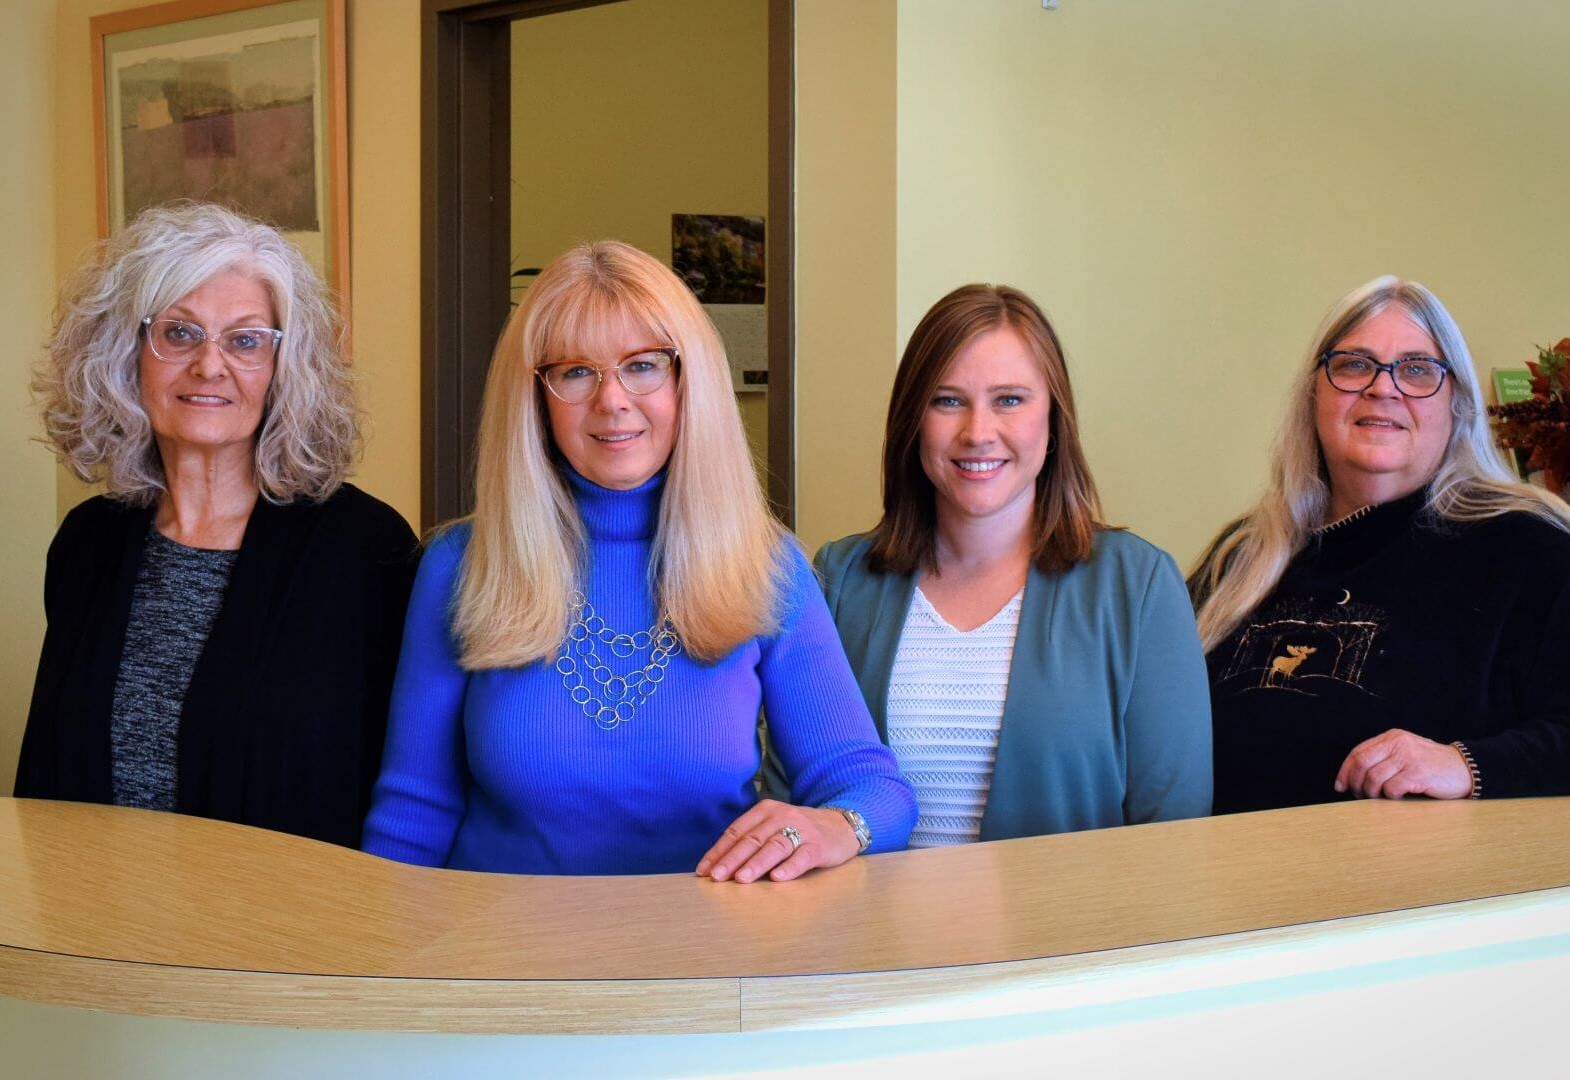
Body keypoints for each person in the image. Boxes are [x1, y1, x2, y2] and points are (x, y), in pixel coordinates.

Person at [361, 240, 915, 879]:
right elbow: (413, 811)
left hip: (704, 957)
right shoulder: (461, 565)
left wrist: (838, 825)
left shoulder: (767, 565)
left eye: (643, 365)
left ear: (688, 381)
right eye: (575, 372)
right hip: (497, 956)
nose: (612, 400)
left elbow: (878, 793)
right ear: (535, 398)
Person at [17, 202, 418, 848]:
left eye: (245, 340)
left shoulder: (366, 552)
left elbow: (406, 796)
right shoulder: (87, 543)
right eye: (179, 333)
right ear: (128, 352)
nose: (209, 365)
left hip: (284, 938)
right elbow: (49, 778)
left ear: (284, 367)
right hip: (95, 932)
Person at [811, 284, 1211, 846]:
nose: (978, 432)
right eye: (947, 400)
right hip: (869, 933)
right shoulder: (840, 578)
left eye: (1009, 400)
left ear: (1054, 419)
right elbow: (795, 797)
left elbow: (1175, 832)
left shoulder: (1138, 586)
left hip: (1070, 932)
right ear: (912, 421)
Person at [1190, 275, 1570, 812]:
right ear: (1313, 394)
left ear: (1456, 402)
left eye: (1418, 370)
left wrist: (1467, 765)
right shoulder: (1242, 555)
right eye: (1353, 365)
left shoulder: (1531, 547)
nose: (1383, 388)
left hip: (1419, 892)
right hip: (1225, 882)